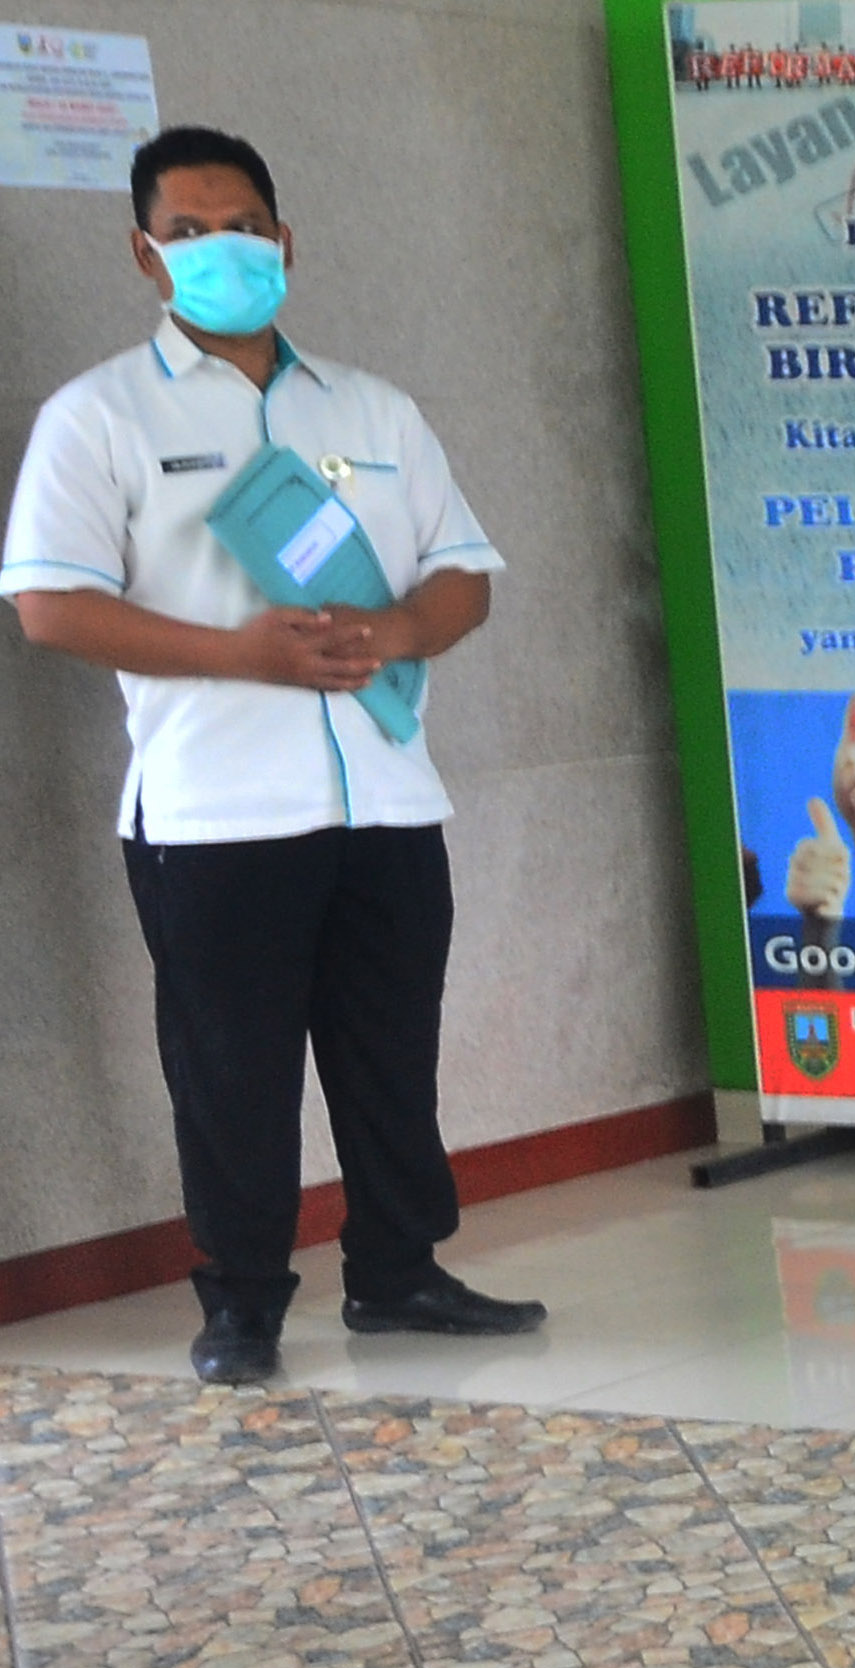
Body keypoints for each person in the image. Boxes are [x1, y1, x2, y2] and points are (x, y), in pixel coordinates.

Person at [2, 126, 539, 1389]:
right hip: (215, 814)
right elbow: (49, 604)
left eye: (240, 223)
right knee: (233, 1074)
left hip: (388, 794)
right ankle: (241, 1303)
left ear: (284, 240)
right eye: (186, 232)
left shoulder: (371, 406)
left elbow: (464, 574)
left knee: (391, 1051)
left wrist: (401, 627)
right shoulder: (100, 416)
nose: (218, 249)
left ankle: (400, 1271)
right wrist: (235, 653)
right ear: (146, 255)